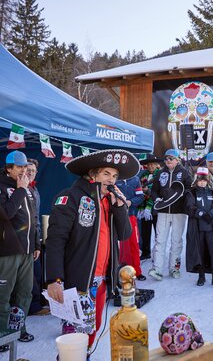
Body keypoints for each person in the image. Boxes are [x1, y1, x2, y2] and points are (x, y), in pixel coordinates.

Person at [46, 149, 137, 353]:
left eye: (114, 176)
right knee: (74, 339)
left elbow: (124, 234)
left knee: (91, 333)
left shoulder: (110, 201)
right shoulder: (71, 197)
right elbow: (55, 240)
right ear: (92, 174)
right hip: (77, 282)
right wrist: (54, 279)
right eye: (106, 174)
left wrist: (121, 207)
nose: (111, 180)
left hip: (102, 281)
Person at [0, 151, 39, 350]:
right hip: (7, 251)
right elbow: (6, 213)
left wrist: (37, 244)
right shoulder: (5, 187)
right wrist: (20, 190)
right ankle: (2, 334)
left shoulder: (27, 188)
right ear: (8, 168)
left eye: (25, 167)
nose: (24, 170)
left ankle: (19, 329)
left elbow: (33, 219)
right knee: (4, 294)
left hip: (27, 250)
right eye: (20, 167)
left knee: (25, 292)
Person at [149, 149, 192, 280]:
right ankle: (157, 269)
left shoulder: (184, 172)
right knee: (160, 240)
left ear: (177, 160)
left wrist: (177, 195)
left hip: (179, 211)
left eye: (171, 158)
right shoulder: (160, 173)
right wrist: (157, 199)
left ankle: (174, 268)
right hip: (163, 211)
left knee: (176, 240)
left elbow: (190, 189)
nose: (168, 160)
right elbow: (154, 190)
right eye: (166, 158)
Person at [185, 167, 213, 289]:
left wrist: (212, 214)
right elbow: (189, 207)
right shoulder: (191, 193)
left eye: (204, 180)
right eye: (200, 180)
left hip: (212, 227)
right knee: (200, 252)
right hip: (197, 227)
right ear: (196, 180)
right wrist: (202, 214)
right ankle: (201, 276)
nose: (202, 182)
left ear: (208, 180)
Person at [26, 159, 49, 316]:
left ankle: (39, 301)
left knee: (37, 273)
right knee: (30, 276)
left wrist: (38, 242)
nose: (30, 173)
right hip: (22, 242)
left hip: (34, 239)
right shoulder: (18, 190)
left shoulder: (35, 190)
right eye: (28, 170)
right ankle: (33, 306)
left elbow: (36, 219)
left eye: (33, 170)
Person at [116, 174, 146, 280]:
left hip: (131, 216)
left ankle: (137, 271)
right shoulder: (114, 178)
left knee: (134, 243)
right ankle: (120, 272)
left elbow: (141, 196)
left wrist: (130, 202)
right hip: (116, 217)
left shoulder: (135, 179)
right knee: (120, 246)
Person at [137, 153, 161, 260]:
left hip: (156, 209)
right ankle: (146, 252)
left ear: (156, 165)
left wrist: (148, 191)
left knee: (158, 233)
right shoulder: (142, 176)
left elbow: (160, 192)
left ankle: (158, 253)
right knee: (145, 232)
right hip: (144, 208)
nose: (151, 166)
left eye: (153, 164)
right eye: (149, 165)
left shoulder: (160, 175)